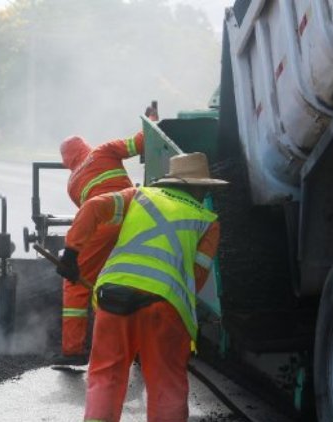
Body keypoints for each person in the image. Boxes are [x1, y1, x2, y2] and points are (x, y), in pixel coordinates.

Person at [58, 152, 227, 422]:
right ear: (197, 186)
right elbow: (196, 276)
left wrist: (71, 253)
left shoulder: (138, 196)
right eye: (205, 187)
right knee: (166, 383)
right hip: (165, 305)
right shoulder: (208, 220)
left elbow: (92, 208)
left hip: (113, 295)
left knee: (105, 377)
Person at [57, 130, 145, 363]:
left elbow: (88, 214)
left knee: (76, 284)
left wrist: (71, 253)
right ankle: (136, 346)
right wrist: (152, 122)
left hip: (102, 225)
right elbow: (140, 143)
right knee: (132, 279)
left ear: (67, 160)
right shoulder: (105, 149)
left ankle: (73, 350)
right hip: (136, 218)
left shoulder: (72, 182)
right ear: (85, 145)